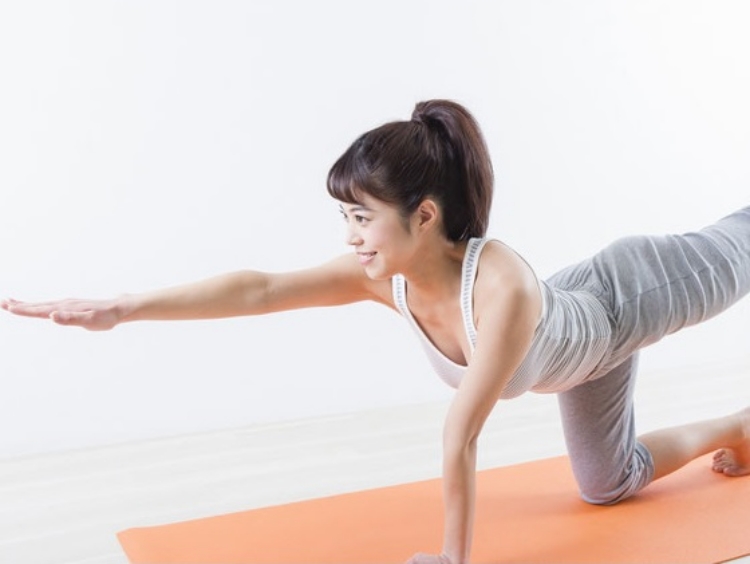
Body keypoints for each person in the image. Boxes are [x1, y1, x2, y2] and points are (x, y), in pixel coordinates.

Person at [3, 99, 750, 564]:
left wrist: (452, 559)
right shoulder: (383, 277)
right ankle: (738, 429)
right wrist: (123, 306)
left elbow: (461, 434)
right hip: (585, 354)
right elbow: (260, 288)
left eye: (362, 216)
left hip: (632, 297)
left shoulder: (504, 288)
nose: (350, 234)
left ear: (424, 216)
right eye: (345, 216)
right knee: (607, 486)